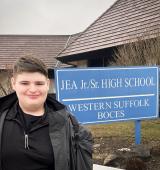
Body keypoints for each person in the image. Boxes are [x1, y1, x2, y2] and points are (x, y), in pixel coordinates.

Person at [0, 56, 92, 170]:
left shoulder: (67, 125)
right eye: (24, 83)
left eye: (39, 83)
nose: (33, 89)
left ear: (47, 84)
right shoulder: (2, 119)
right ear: (13, 83)